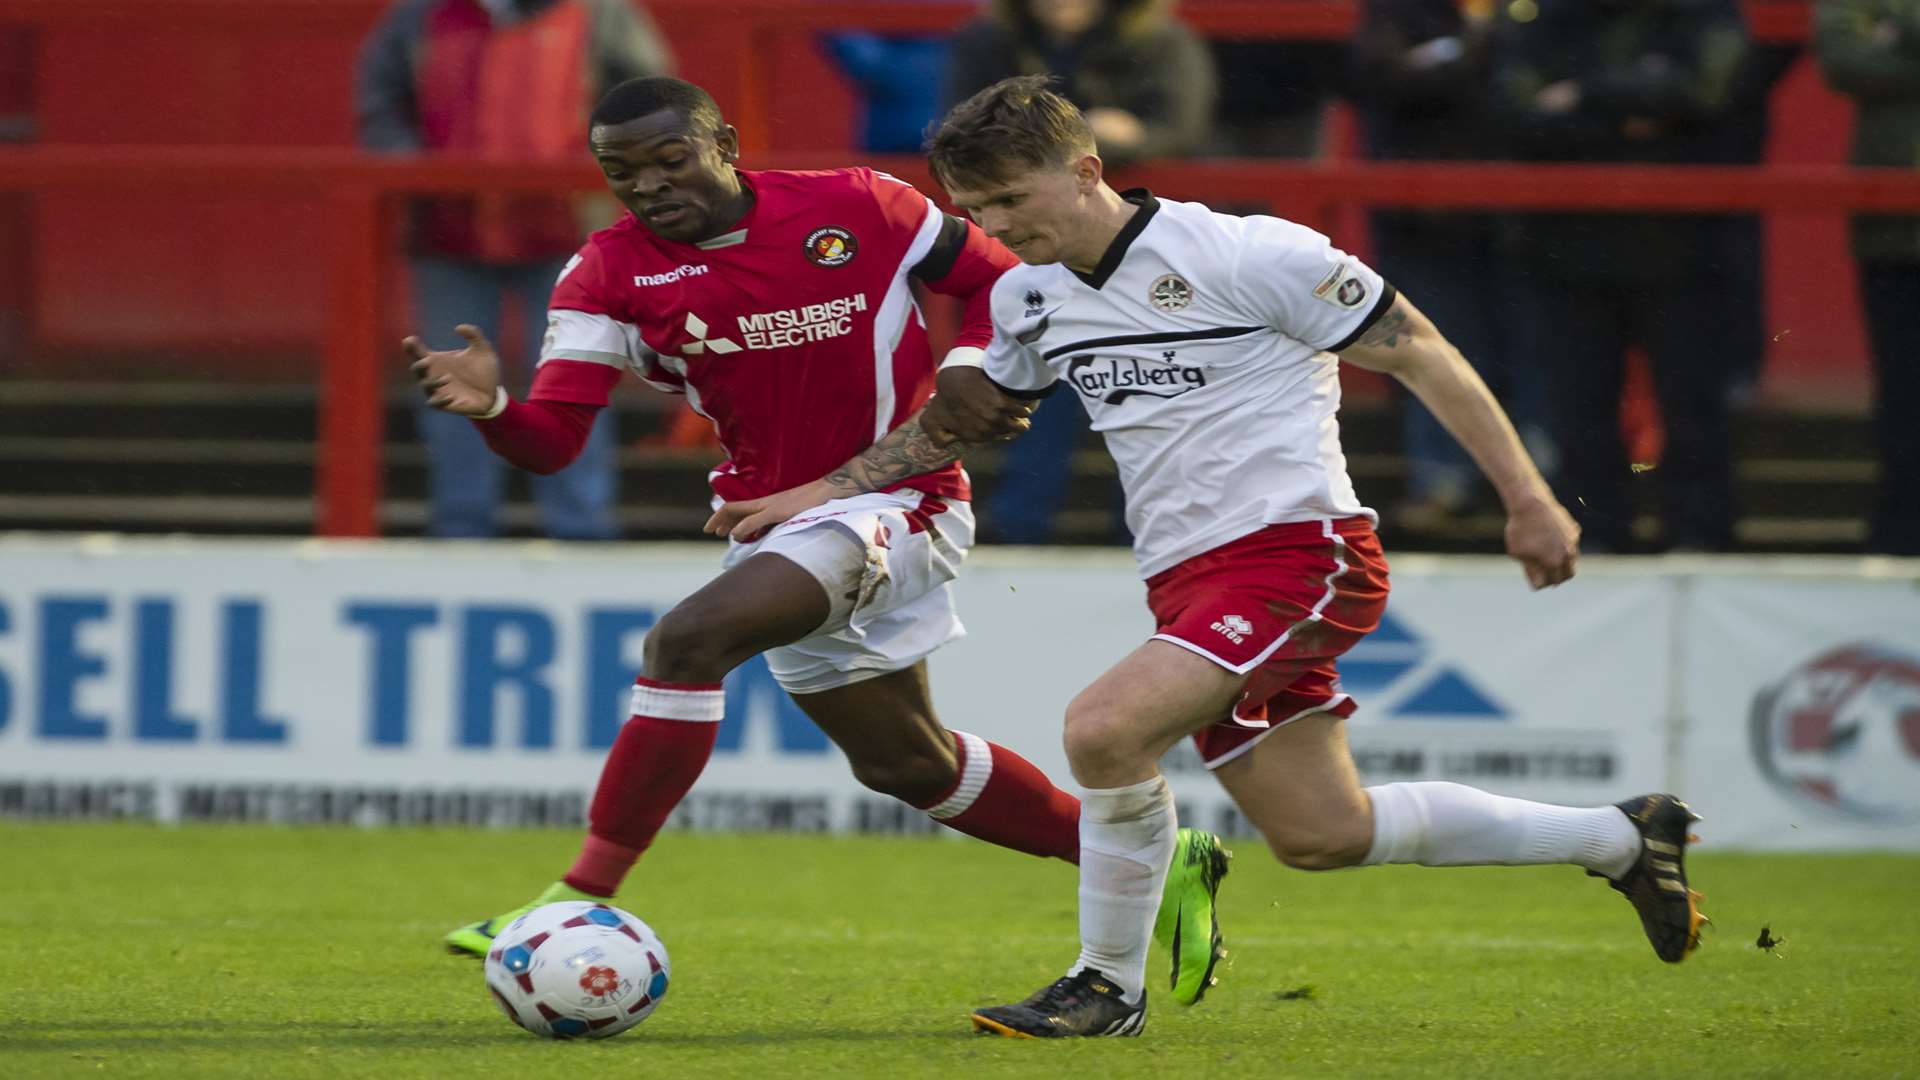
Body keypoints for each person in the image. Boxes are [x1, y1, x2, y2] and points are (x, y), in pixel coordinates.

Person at [711, 77, 1709, 1039]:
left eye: (1013, 198)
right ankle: (1620, 838)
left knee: (1103, 732)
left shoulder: (1251, 253)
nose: (999, 225)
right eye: (976, 207)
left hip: (1299, 552)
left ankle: (1105, 986)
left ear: (1087, 168)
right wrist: (819, 493)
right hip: (1188, 580)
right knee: (1324, 833)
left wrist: (1529, 500)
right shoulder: (1031, 302)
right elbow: (959, 423)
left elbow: (1419, 349)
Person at [405, 77, 1229, 1002]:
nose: (648, 184)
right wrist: (496, 408)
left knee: (686, 643)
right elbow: (553, 442)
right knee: (906, 764)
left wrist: (963, 365)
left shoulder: (856, 204)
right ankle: (1155, 865)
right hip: (773, 519)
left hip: (902, 500)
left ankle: (577, 893)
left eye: (670, 158)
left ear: (724, 142)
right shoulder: (606, 272)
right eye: (620, 170)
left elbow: (1006, 278)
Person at [357, 0, 673, 539]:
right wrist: (411, 164)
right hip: (447, 227)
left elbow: (654, 99)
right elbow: (380, 99)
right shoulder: (421, 15)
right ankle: (460, 530)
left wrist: (605, 167)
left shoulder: (599, 13)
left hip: (570, 229)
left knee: (574, 383)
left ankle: (581, 530)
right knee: (449, 388)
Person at [946, 1, 1217, 546]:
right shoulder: (987, 39)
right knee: (1035, 392)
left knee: (1147, 397)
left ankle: (1140, 531)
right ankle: (1021, 527)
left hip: (1140, 255)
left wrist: (1127, 138)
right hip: (1038, 259)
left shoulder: (1162, 40)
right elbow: (961, 141)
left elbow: (1183, 124)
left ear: (1085, 170)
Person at [1488, 0, 1751, 552]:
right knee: (1579, 409)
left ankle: (1699, 537)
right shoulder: (1545, 18)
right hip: (1567, 244)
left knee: (1692, 406)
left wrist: (1583, 95)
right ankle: (1593, 535)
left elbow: (1709, 95)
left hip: (1684, 243)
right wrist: (1637, 112)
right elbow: (1512, 113)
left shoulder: (1699, 13)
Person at [1351, 0, 1553, 533]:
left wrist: (1461, 58)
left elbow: (1528, 98)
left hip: (1527, 211)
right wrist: (1477, 50)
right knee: (1431, 343)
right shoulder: (1401, 13)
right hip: (1424, 211)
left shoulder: (1540, 15)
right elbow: (1381, 80)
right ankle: (1444, 481)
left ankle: (1542, 478)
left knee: (1535, 348)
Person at [1814, 0, 1920, 555]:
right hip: (1895, 233)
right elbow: (1840, 59)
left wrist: (1898, 27)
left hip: (1894, 219)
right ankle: (1902, 534)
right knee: (1902, 395)